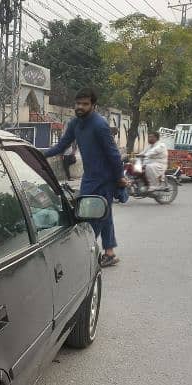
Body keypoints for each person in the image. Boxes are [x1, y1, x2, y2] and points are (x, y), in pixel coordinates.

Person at [43, 87, 127, 268]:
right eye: (78, 103)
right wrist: (40, 155)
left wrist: (119, 177)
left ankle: (86, 250)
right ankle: (110, 253)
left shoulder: (100, 125)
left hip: (105, 178)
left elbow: (113, 154)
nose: (80, 107)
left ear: (93, 106)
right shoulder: (75, 124)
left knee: (90, 213)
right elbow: (62, 145)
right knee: (104, 212)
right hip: (90, 176)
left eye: (85, 104)